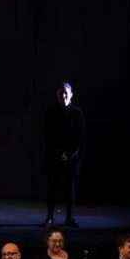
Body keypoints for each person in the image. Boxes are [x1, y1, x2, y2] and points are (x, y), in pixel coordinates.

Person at [43, 82, 85, 227]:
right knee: (52, 187)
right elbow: (47, 136)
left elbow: (79, 137)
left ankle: (69, 217)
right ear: (57, 95)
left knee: (69, 188)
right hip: (54, 156)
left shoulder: (77, 113)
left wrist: (69, 154)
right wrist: (56, 153)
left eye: (66, 93)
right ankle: (50, 217)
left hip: (71, 157)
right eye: (61, 93)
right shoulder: (50, 113)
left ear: (71, 95)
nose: (63, 95)